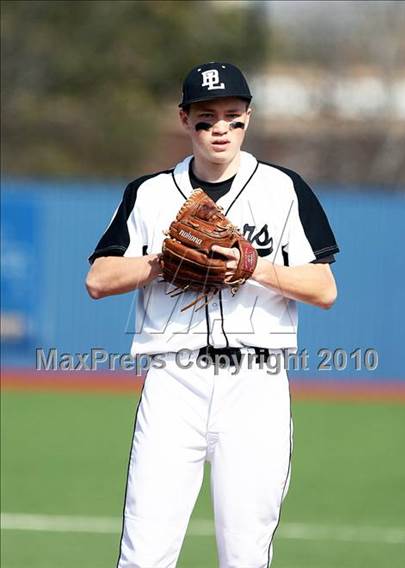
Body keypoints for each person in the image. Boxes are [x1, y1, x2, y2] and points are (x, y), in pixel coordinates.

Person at [86, 61, 339, 568]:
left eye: (231, 115)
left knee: (245, 554)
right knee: (144, 554)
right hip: (173, 383)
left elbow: (324, 287)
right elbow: (98, 279)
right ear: (185, 119)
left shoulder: (283, 189)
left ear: (247, 116)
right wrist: (160, 261)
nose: (220, 127)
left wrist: (256, 268)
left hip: (256, 384)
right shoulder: (150, 193)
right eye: (206, 117)